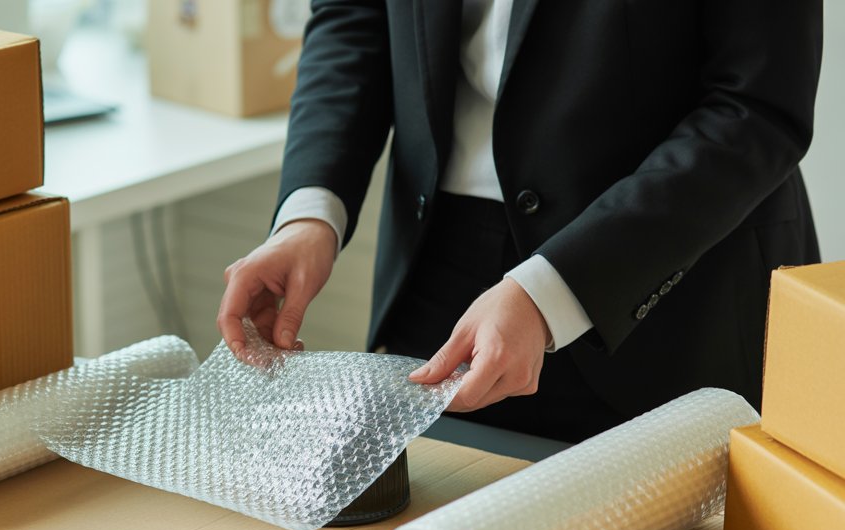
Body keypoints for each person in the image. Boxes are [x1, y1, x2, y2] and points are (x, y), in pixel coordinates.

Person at [216, 0, 823, 442]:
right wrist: (310, 213)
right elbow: (354, 16)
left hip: (664, 290)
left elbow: (757, 107)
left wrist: (553, 289)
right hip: (437, 274)